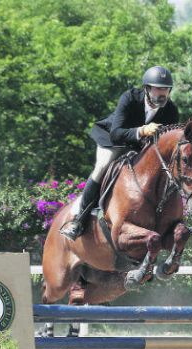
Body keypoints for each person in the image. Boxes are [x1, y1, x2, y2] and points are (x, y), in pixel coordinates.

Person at [60, 66, 180, 240]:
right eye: (158, 88)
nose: (163, 93)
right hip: (112, 141)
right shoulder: (129, 98)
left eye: (166, 89)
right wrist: (142, 130)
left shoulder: (171, 110)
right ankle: (78, 220)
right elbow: (117, 133)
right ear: (146, 88)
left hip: (139, 148)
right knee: (102, 166)